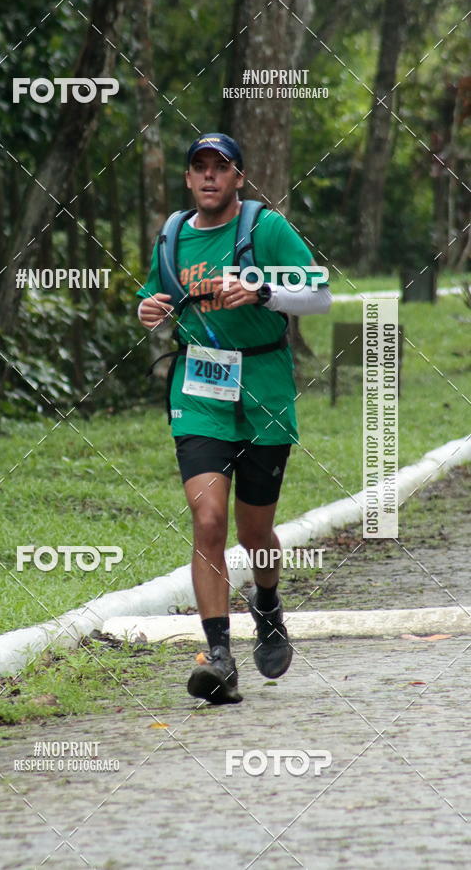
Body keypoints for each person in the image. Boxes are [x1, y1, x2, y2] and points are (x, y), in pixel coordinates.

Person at [136, 133, 331, 705]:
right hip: (199, 393)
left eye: (220, 167)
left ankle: (267, 604)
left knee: (253, 534)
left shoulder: (266, 228)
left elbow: (319, 294)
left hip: (264, 391)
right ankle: (219, 657)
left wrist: (263, 291)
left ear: (238, 178)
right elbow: (155, 297)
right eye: (199, 167)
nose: (209, 176)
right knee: (208, 520)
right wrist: (147, 309)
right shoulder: (173, 236)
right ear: (188, 178)